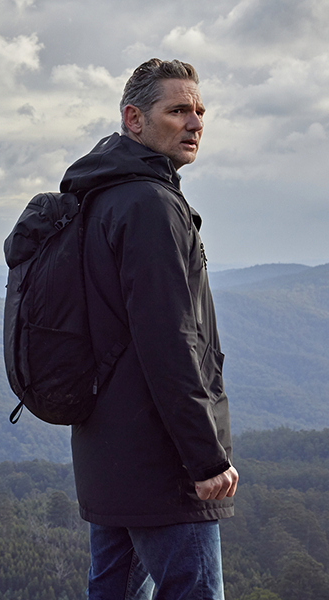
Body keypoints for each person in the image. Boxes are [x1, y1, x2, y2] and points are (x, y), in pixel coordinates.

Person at [58, 59, 239, 599]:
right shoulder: (150, 205)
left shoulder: (99, 195)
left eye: (200, 110)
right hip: (163, 461)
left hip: (108, 452)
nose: (195, 122)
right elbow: (170, 342)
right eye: (178, 110)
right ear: (133, 119)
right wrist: (205, 458)